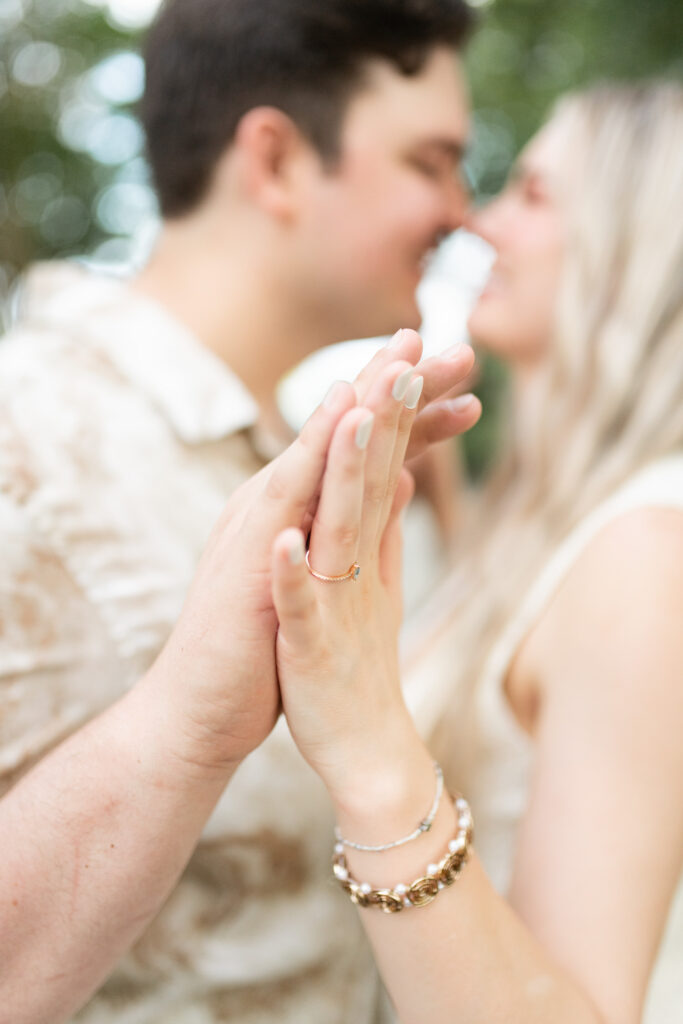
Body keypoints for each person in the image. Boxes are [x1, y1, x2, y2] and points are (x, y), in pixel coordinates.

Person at [0, 1, 481, 1021]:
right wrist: (182, 728)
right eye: (429, 161)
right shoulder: (25, 441)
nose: (463, 213)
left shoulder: (307, 460)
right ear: (274, 161)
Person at [263, 80, 683, 1024]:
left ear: (638, 242)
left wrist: (365, 731)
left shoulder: (648, 558)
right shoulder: (562, 523)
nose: (478, 221)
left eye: (530, 195)